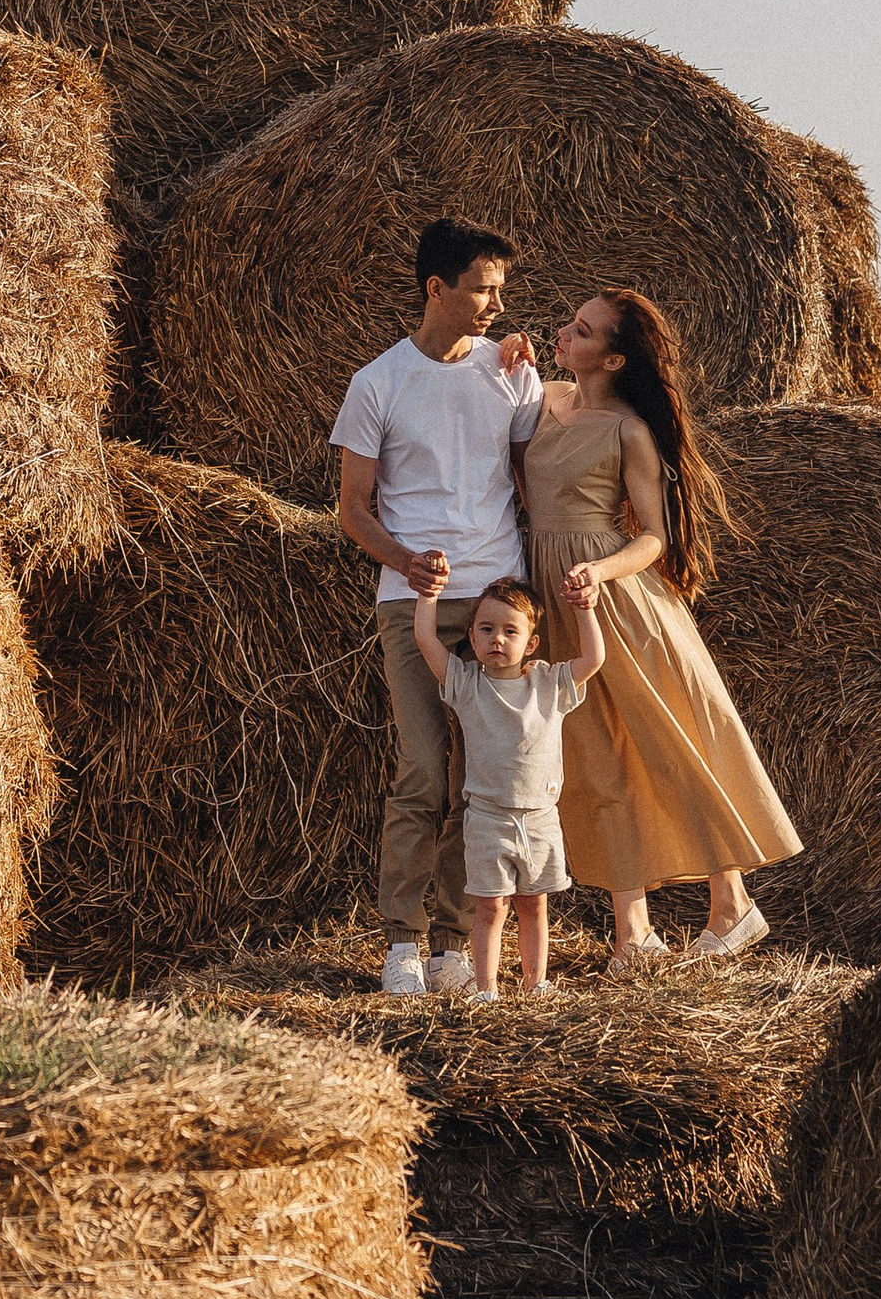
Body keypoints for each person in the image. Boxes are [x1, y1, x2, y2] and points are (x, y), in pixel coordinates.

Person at [519, 285, 801, 967]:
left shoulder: (630, 431)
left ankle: (732, 905)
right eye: (572, 321)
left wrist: (603, 573)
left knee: (669, 743)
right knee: (598, 763)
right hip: (555, 596)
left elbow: (655, 538)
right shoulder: (545, 399)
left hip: (614, 597)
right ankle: (633, 934)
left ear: (613, 360)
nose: (565, 332)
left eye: (583, 330)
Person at [331, 218, 544, 998]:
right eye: (484, 288)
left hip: (496, 601)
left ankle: (457, 941)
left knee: (480, 780)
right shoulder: (377, 383)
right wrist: (405, 562)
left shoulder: (509, 372)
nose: (495, 303)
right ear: (437, 288)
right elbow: (353, 509)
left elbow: (534, 473)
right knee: (422, 770)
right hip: (412, 605)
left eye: (500, 291)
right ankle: (402, 943)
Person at [411, 567, 607, 998]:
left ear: (530, 643)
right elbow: (426, 641)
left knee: (535, 906)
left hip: (540, 818)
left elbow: (593, 660)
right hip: (487, 819)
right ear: (473, 637)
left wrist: (585, 608)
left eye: (509, 631)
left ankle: (537, 983)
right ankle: (487, 989)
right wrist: (428, 596)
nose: (497, 639)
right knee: (490, 908)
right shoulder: (466, 683)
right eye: (486, 630)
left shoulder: (549, 683)